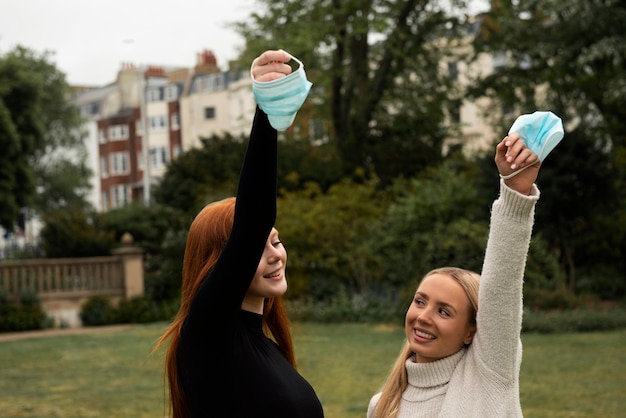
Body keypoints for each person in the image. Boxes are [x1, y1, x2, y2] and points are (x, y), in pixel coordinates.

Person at [154, 50, 324, 418]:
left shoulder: (269, 348)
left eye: (276, 241)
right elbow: (253, 221)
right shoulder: (206, 337)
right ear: (221, 261)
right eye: (257, 247)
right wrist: (267, 110)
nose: (276, 254)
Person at [367, 132, 544, 418]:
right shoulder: (382, 406)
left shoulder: (490, 377)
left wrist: (515, 190)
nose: (424, 317)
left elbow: (501, 286)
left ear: (471, 331)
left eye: (444, 312)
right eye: (420, 301)